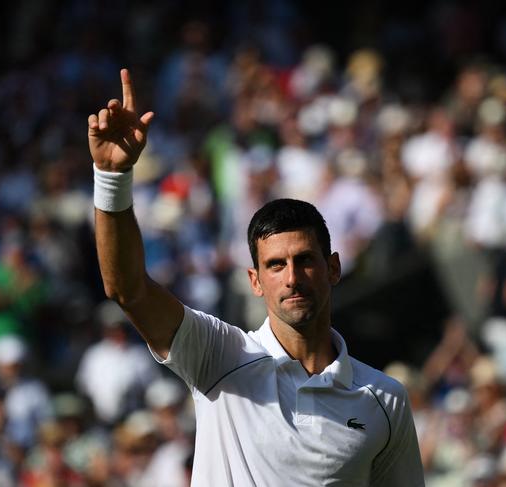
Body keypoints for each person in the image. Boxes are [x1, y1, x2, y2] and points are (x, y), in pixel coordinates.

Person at [87, 68, 425, 486]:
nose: (292, 278)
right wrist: (112, 179)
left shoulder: (385, 400)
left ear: (333, 267)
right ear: (255, 280)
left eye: (305, 261)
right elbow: (126, 288)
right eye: (276, 265)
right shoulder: (219, 357)